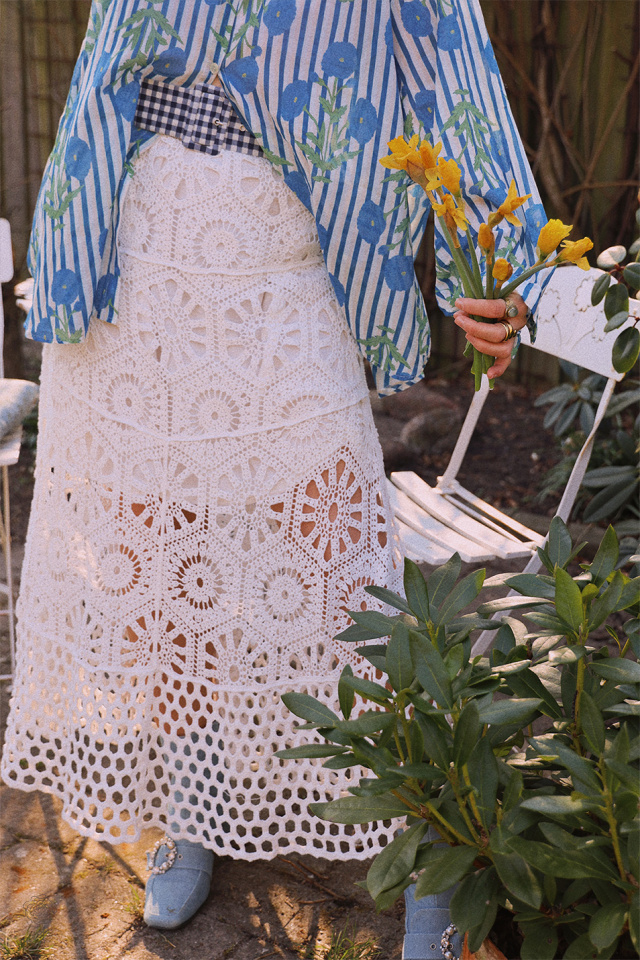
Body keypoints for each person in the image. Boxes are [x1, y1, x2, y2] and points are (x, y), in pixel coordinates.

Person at [2, 0, 545, 933]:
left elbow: (454, 72)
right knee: (157, 542)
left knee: (340, 559)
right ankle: (197, 798)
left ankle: (430, 841)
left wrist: (493, 262)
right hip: (129, 255)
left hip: (287, 248)